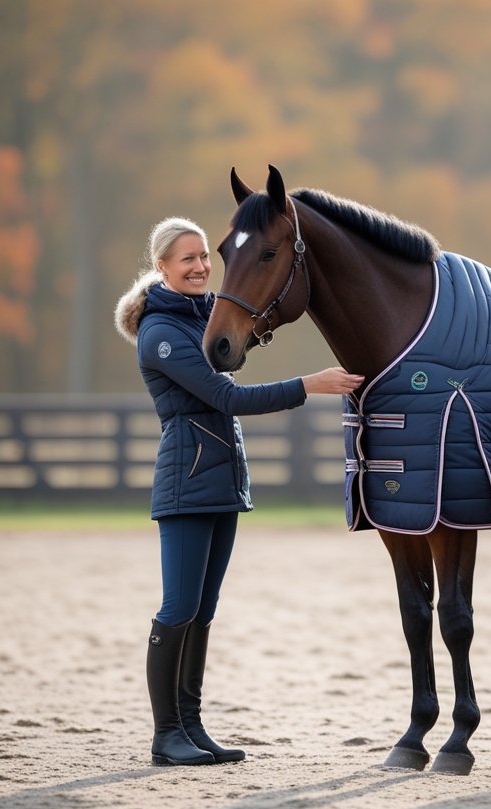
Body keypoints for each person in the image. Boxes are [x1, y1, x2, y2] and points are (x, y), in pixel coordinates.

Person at [113, 216, 363, 766]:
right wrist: (308, 385)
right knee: (178, 607)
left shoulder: (204, 320)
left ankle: (192, 727)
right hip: (185, 484)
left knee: (203, 611)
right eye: (187, 260)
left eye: (205, 257)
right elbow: (227, 399)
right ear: (162, 269)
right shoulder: (161, 335)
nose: (201, 266)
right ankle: (165, 735)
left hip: (221, 482)